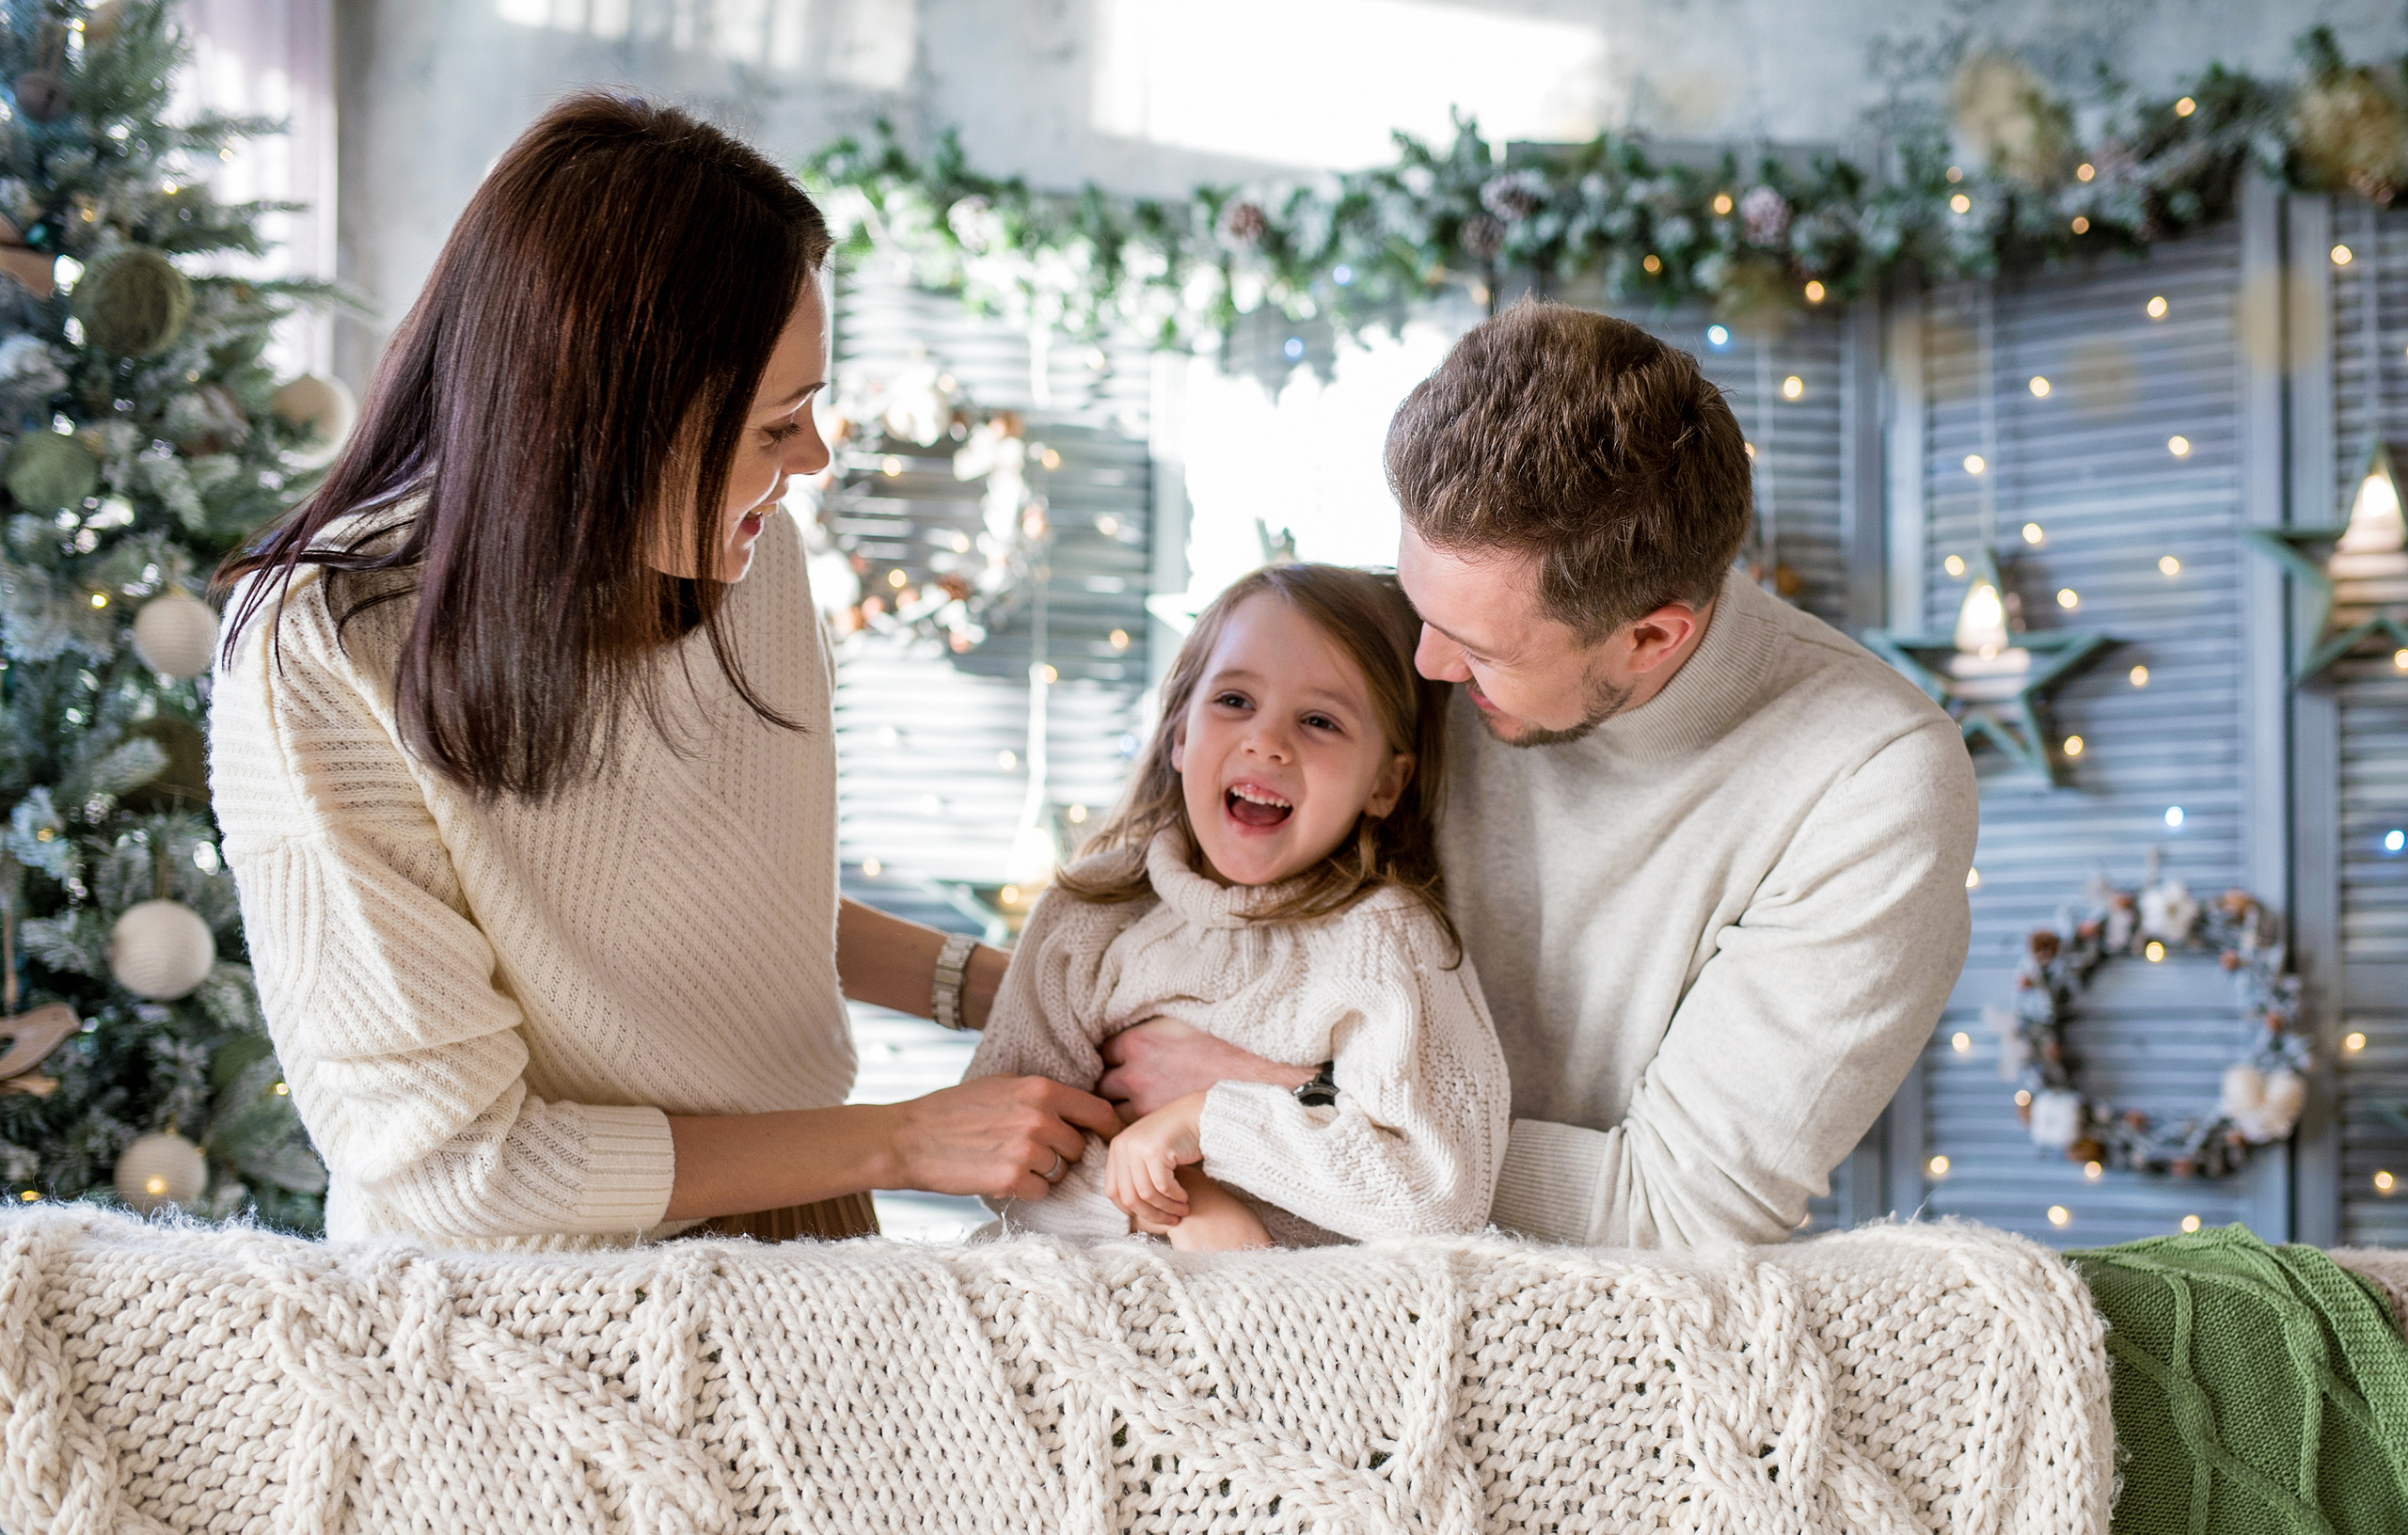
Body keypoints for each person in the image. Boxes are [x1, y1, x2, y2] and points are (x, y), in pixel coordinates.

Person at [208, 93, 1116, 1249]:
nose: (814, 459)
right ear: (601, 424)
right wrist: (907, 1138)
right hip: (518, 1296)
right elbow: (462, 1170)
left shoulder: (748, 556)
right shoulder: (323, 648)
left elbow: (722, 907)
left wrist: (1011, 992)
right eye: (773, 427)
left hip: (803, 1220)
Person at [1098, 300, 1979, 1248]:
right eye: (1414, 597)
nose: (1423, 664)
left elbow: (1678, 1215)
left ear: (1650, 638)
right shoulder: (1429, 627)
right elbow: (1160, 935)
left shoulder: (1869, 784)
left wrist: (1280, 1104)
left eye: (1475, 648)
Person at [964, 564, 1510, 1250]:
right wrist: (1187, 1207)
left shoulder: (1387, 941)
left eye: (1320, 720)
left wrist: (1210, 1123)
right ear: (1181, 733)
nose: (1268, 742)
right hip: (1083, 1289)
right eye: (1233, 701)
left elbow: (1437, 1192)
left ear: (1384, 782)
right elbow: (1004, 1156)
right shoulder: (1092, 912)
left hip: (1303, 1326)